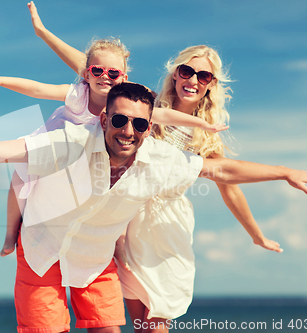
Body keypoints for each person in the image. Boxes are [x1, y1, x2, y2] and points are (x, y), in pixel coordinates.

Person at [0, 82, 307, 333]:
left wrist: (284, 171)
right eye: (119, 120)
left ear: (149, 127)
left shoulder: (161, 159)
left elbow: (222, 171)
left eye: (139, 125)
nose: (128, 132)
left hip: (95, 261)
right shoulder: (69, 141)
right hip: (41, 254)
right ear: (104, 117)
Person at [25, 3, 285, 331]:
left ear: (211, 84)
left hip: (167, 224)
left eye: (203, 75)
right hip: (125, 216)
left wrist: (256, 234)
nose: (192, 80)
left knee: (158, 316)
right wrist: (44, 34)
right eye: (186, 71)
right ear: (175, 73)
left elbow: (229, 185)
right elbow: (98, 70)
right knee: (139, 320)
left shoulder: (209, 138)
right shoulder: (147, 106)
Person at [0, 36, 227, 257]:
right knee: (21, 178)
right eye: (97, 71)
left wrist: (202, 125)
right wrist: (0, 80)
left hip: (89, 152)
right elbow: (37, 89)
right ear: (86, 74)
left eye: (113, 73)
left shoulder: (124, 100)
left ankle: (114, 247)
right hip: (58, 140)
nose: (105, 77)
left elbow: (164, 116)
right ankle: (11, 233)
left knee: (113, 191)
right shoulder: (77, 93)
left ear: (122, 77)